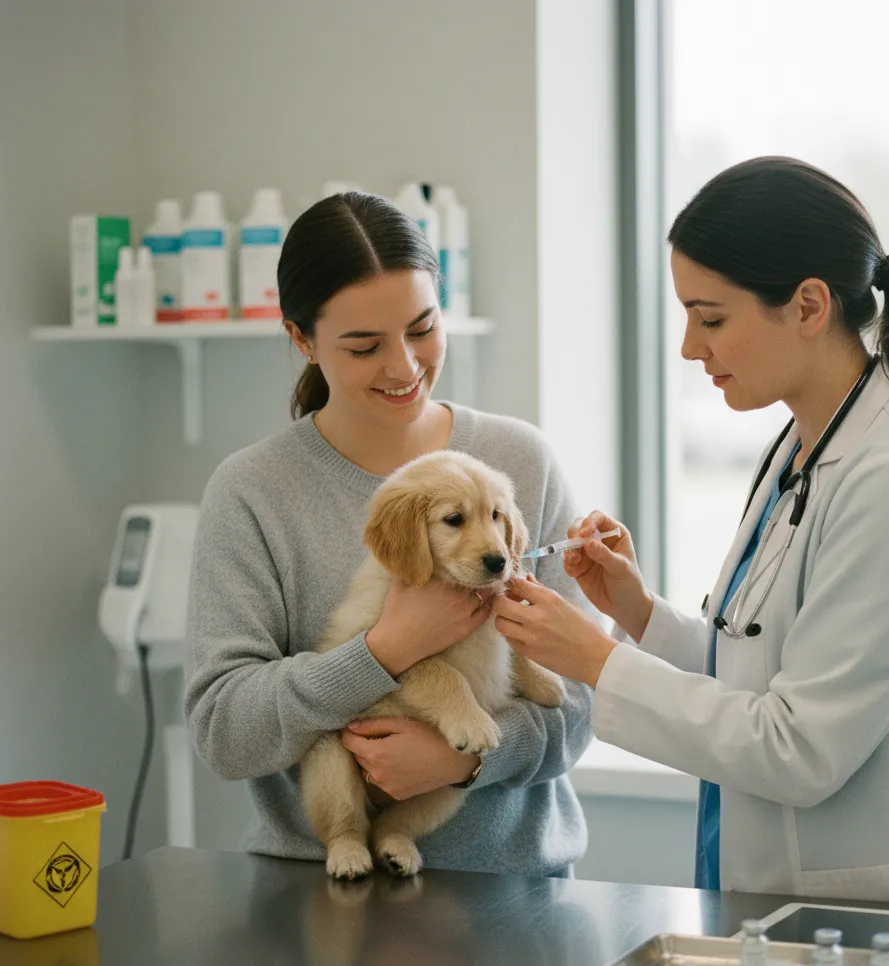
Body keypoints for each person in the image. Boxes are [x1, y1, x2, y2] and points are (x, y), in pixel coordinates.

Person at [492, 156, 889, 910]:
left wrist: (599, 662)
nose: (687, 347)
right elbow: (759, 670)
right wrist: (640, 614)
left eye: (710, 318)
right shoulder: (800, 447)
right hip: (782, 903)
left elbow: (799, 748)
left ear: (809, 305)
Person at [185, 192, 592, 877]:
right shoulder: (252, 491)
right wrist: (383, 652)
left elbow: (577, 703)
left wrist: (467, 760)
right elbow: (226, 732)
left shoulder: (517, 465)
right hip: (318, 894)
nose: (404, 367)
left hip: (515, 894)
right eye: (364, 346)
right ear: (302, 341)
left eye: (422, 328)